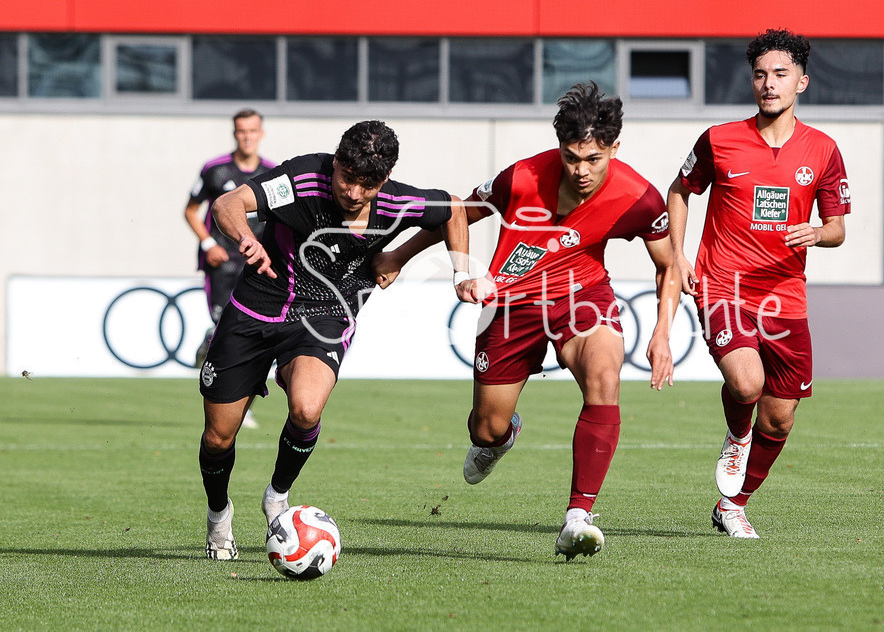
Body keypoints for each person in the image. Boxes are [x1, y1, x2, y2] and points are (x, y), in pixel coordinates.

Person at [375, 82, 680, 560]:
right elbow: (458, 213)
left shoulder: (639, 198)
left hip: (582, 295)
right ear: (559, 147)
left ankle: (578, 516)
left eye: (594, 159)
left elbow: (668, 265)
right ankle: (504, 435)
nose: (581, 171)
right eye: (571, 158)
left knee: (604, 377)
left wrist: (662, 333)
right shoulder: (520, 177)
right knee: (485, 429)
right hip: (511, 306)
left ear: (614, 148)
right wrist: (399, 255)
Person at [199, 120, 479, 560]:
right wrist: (246, 237)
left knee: (306, 409)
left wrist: (435, 266)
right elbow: (228, 203)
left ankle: (277, 497)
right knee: (218, 438)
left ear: (385, 179)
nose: (353, 192)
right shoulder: (301, 180)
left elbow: (454, 209)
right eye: (347, 178)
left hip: (326, 314)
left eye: (367, 185)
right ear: (336, 163)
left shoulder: (396, 200)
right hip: (255, 310)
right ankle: (219, 514)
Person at [666, 29, 851, 538]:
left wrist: (818, 232)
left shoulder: (823, 150)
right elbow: (680, 190)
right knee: (747, 383)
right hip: (723, 284)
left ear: (801, 82)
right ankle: (736, 434)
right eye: (760, 74)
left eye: (780, 74)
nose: (769, 84)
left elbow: (837, 228)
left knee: (780, 419)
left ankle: (732, 505)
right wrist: (678, 255)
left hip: (786, 294)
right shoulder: (718, 139)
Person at [185, 109, 275, 429]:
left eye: (252, 130)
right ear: (234, 133)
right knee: (227, 329)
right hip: (222, 263)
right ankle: (213, 350)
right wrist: (209, 244)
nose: (247, 136)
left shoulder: (272, 174)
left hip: (256, 263)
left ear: (261, 133)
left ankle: (243, 403)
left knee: (256, 334)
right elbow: (191, 211)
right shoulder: (215, 170)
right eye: (241, 131)